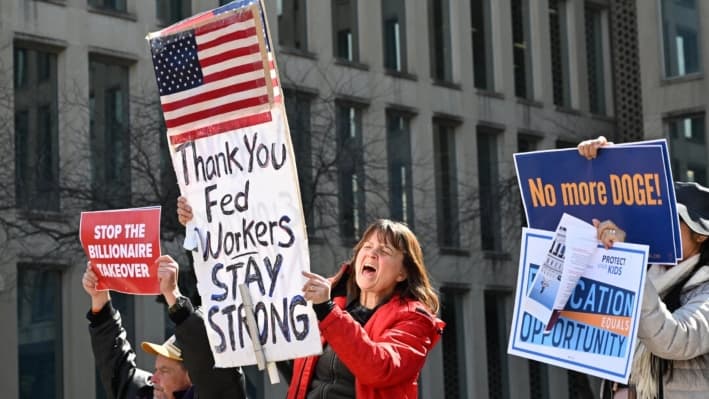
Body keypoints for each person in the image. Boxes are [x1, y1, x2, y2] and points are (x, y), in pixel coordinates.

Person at [176, 198, 445, 398]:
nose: (372, 254)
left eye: (385, 250)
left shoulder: (414, 320)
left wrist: (328, 312)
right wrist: (201, 230)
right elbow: (252, 293)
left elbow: (379, 367)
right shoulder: (331, 302)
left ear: (403, 273)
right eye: (368, 246)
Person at [578, 136, 709, 399]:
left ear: (701, 234)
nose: (661, 227)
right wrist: (605, 162)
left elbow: (673, 339)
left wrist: (628, 264)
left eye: (674, 221)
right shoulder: (645, 273)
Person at [83, 255, 247, 399]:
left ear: (191, 376)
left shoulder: (218, 390)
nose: (154, 379)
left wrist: (172, 294)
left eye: (164, 371)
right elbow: (116, 370)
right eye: (157, 370)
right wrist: (99, 299)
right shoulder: (146, 393)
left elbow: (210, 367)